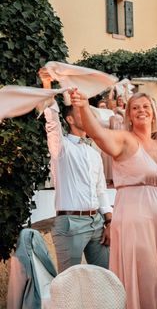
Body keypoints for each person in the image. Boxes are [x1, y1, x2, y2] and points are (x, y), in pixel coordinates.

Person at [70, 90, 157, 309]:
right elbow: (99, 134)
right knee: (145, 276)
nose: (141, 110)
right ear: (129, 115)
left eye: (146, 106)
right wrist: (84, 106)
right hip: (135, 218)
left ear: (153, 112)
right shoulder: (125, 140)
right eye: (135, 107)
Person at [40, 69, 111, 272]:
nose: (87, 116)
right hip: (70, 223)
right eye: (82, 112)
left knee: (105, 276)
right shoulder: (61, 148)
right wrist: (47, 86)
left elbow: (101, 191)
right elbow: (52, 121)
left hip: (97, 224)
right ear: (70, 120)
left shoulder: (93, 153)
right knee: (69, 283)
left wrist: (109, 222)